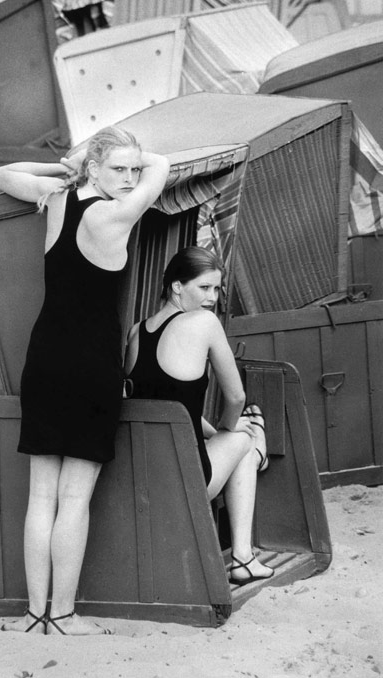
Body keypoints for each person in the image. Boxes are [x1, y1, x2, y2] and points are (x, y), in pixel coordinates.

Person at [0, 126, 169, 635]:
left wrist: (67, 167)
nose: (130, 177)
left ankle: (34, 614)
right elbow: (161, 167)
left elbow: (3, 174)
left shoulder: (55, 199)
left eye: (132, 169)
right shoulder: (117, 214)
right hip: (92, 365)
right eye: (118, 168)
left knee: (41, 497)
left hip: (45, 358)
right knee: (73, 499)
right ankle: (64, 615)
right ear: (95, 168)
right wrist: (132, 161)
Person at [125, 246, 274, 586]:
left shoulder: (136, 333)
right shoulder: (204, 323)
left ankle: (253, 452)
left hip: (143, 475)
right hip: (187, 478)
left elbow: (169, 406)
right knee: (246, 435)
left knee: (236, 436)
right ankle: (243, 557)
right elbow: (236, 397)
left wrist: (211, 434)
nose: (213, 298)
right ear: (177, 286)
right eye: (204, 287)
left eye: (217, 289)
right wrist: (227, 427)